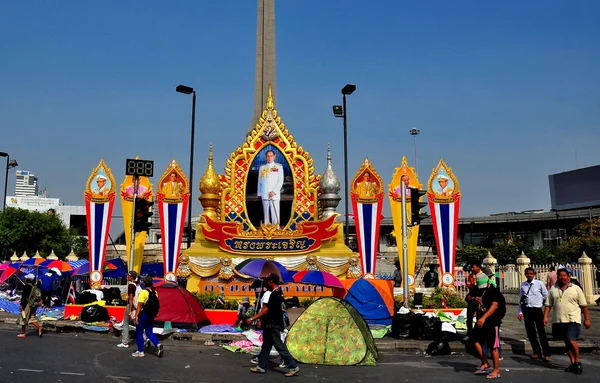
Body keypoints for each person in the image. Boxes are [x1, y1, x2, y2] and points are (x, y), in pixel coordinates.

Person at [247, 274, 299, 377]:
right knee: (266, 346)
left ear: (271, 282)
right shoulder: (280, 293)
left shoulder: (273, 294)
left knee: (279, 345)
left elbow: (266, 309)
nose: (266, 283)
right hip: (271, 324)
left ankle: (293, 366)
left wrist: (253, 318)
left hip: (272, 324)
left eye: (267, 281)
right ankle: (261, 366)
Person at [544, 268, 592, 375]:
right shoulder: (553, 289)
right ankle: (573, 363)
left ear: (568, 277)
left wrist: (587, 319)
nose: (562, 277)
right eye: (560, 275)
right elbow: (548, 305)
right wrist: (545, 317)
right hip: (559, 320)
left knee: (571, 340)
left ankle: (578, 361)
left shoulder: (576, 289)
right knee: (566, 342)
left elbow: (584, 306)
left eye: (564, 275)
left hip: (573, 319)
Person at [471, 273, 506, 379]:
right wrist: (474, 299)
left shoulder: (493, 291)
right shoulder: (478, 289)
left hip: (492, 321)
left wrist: (483, 318)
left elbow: (494, 306)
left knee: (493, 345)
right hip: (481, 321)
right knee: (474, 339)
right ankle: (485, 362)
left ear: (487, 282)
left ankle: (496, 370)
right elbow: (468, 297)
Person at [518, 267, 551, 361]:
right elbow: (521, 299)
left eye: (531, 273)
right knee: (531, 333)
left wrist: (545, 307)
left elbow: (546, 296)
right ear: (525, 274)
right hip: (527, 310)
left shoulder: (539, 284)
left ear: (534, 274)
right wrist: (520, 312)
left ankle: (547, 353)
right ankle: (536, 352)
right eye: (527, 273)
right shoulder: (523, 285)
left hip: (537, 310)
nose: (529, 275)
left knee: (541, 332)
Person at [131, 276, 164, 358]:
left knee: (139, 332)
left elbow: (140, 305)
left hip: (144, 314)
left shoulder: (143, 292)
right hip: (151, 315)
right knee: (149, 332)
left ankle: (140, 351)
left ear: (144, 283)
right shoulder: (155, 292)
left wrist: (136, 316)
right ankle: (158, 344)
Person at [257, 150, 284, 227]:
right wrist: (259, 193)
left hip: (274, 194)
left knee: (274, 213)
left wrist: (274, 191)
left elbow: (280, 181)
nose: (269, 158)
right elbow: (259, 181)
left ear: (274, 157)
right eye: (268, 156)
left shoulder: (278, 167)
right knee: (266, 213)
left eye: (271, 156)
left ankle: (276, 229)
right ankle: (266, 229)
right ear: (265, 157)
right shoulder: (262, 168)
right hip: (264, 193)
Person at [117, 270, 141, 348]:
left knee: (126, 323)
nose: (127, 277)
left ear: (132, 277)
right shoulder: (138, 284)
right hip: (138, 306)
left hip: (131, 305)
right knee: (137, 323)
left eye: (129, 275)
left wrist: (130, 310)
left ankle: (124, 342)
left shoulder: (131, 285)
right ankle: (144, 338)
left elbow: (131, 298)